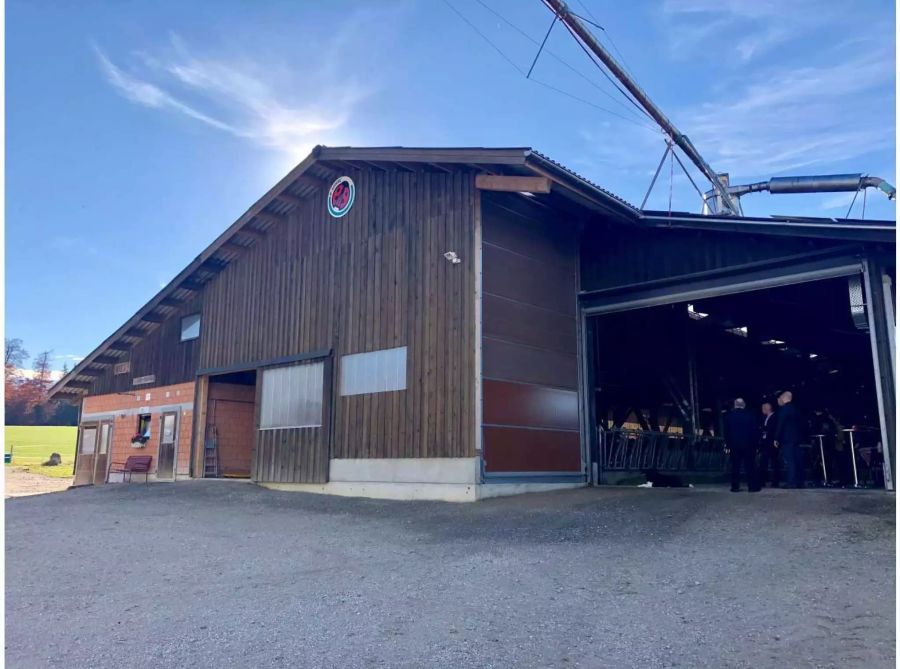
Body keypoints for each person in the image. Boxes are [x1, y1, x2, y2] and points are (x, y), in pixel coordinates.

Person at [725, 398, 759, 492]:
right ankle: (752, 486)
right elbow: (755, 431)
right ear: (744, 405)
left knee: (735, 466)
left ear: (735, 405)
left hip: (734, 445)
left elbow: (727, 432)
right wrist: (756, 444)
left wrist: (728, 444)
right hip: (748, 445)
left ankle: (735, 486)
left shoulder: (729, 416)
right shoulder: (750, 416)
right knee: (750, 466)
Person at [775, 391, 805, 488]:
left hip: (787, 438)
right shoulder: (796, 409)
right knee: (798, 460)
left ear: (783, 398)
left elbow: (781, 424)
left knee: (790, 460)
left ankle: (791, 482)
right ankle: (800, 481)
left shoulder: (783, 409)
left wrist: (776, 438)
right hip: (797, 438)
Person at [757, 401, 780, 487]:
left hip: (771, 442)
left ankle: (775, 481)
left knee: (774, 462)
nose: (762, 410)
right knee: (764, 462)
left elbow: (772, 429)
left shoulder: (774, 417)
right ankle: (762, 480)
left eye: (763, 408)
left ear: (768, 408)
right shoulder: (764, 418)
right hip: (765, 443)